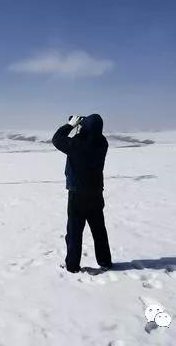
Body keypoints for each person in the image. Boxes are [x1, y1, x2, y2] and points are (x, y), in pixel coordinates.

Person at [52, 114, 112, 273]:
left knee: (74, 232)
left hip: (77, 194)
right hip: (96, 193)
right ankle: (105, 261)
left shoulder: (77, 143)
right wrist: (84, 126)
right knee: (99, 230)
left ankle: (72, 265)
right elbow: (93, 133)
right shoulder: (102, 142)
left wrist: (70, 125)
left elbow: (57, 139)